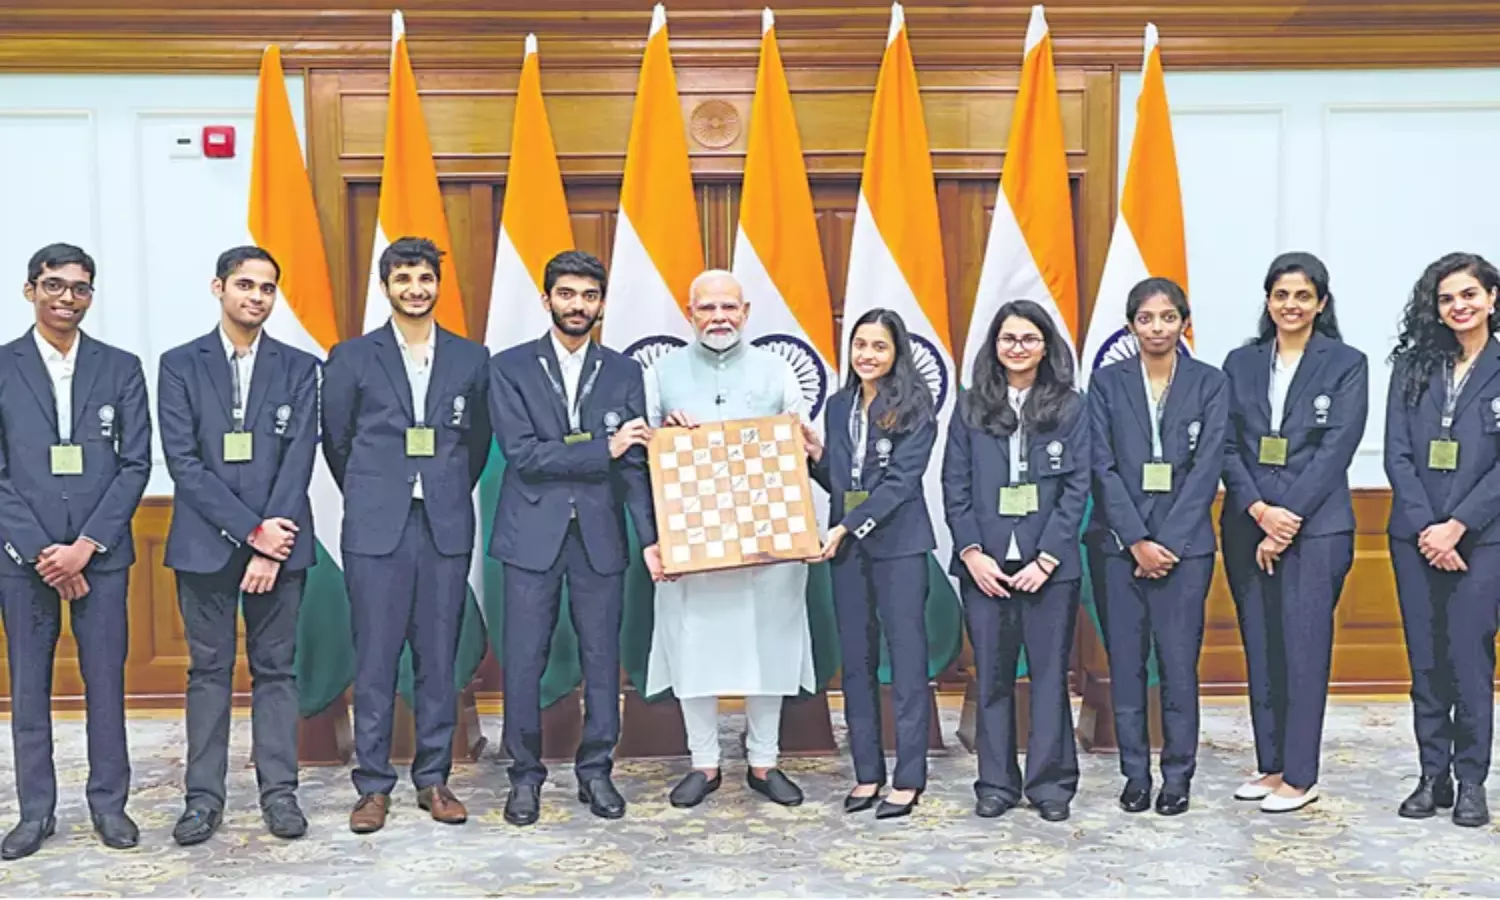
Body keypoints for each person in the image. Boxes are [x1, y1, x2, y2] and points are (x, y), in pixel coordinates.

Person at [321, 236, 491, 833]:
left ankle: (434, 779)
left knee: (438, 659)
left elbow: (476, 445)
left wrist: (436, 487)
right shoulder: (351, 357)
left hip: (443, 524)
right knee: (375, 658)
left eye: (425, 278)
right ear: (385, 285)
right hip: (375, 528)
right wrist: (380, 492)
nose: (415, 289)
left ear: (438, 285)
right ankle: (372, 785)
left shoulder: (472, 358)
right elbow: (336, 442)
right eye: (403, 279)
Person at [489, 250, 662, 826]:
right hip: (530, 536)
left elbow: (634, 464)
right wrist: (600, 450)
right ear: (547, 300)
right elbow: (524, 456)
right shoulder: (508, 367)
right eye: (567, 294)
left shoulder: (623, 371)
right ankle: (524, 775)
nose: (578, 306)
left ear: (602, 305)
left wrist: (651, 540)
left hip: (600, 537)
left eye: (589, 296)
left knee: (602, 658)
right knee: (524, 659)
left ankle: (596, 771)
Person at [156, 245, 319, 844]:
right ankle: (203, 799)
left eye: (267, 288)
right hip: (204, 547)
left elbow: (297, 458)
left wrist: (268, 542)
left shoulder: (301, 368)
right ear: (219, 288)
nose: (256, 296)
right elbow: (184, 462)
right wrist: (251, 532)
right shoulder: (179, 364)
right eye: (245, 285)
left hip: (281, 546)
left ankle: (280, 795)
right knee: (209, 672)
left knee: (276, 671)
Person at [0, 243, 151, 859]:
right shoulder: (3, 366)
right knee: (29, 688)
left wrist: (86, 546)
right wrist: (43, 552)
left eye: (80, 288)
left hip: (102, 557)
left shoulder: (120, 366)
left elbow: (135, 463)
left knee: (104, 686)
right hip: (23, 561)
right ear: (30, 290)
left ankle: (109, 806)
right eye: (54, 285)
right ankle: (35, 813)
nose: (67, 298)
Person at [643, 269, 815, 809]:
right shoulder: (662, 373)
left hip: (769, 543)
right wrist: (668, 435)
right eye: (706, 309)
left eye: (728, 308)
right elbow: (641, 452)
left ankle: (765, 761)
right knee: (693, 647)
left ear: (745, 312)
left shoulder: (777, 370)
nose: (718, 318)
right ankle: (705, 763)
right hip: (690, 543)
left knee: (770, 649)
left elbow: (802, 443)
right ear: (689, 314)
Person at [1221, 251, 1367, 813]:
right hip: (1247, 524)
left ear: (1321, 303)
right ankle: (1271, 762)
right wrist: (1260, 511)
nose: (1291, 305)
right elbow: (1226, 444)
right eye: (1281, 295)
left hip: (1317, 528)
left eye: (1303, 295)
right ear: (1267, 301)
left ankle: (1301, 776)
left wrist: (1286, 519)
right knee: (1262, 646)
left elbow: (1336, 449)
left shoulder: (1346, 362)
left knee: (1304, 650)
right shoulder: (1241, 362)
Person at [941, 299, 1090, 823]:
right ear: (994, 346)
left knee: (1050, 678)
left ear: (1046, 345)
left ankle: (1051, 786)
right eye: (1008, 339)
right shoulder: (970, 407)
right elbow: (953, 485)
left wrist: (1047, 558)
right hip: (986, 570)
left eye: (1029, 339)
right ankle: (996, 783)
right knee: (993, 678)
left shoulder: (1071, 406)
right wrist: (972, 554)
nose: (1018, 348)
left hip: (1048, 570)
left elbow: (1077, 488)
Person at [1087, 278, 1228, 816]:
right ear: (1131, 327)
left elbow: (1207, 467)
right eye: (1146, 319)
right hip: (1120, 550)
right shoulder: (1105, 384)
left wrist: (1165, 541)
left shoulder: (1209, 384)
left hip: (1185, 551)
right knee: (1126, 665)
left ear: (1183, 324)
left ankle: (1177, 774)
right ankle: (1134, 774)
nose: (1157, 328)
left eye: (1168, 317)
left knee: (1176, 666)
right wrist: (1137, 540)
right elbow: (1101, 465)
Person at [803, 308, 936, 820]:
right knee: (855, 662)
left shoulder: (915, 405)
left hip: (898, 549)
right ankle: (866, 772)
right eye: (860, 345)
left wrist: (846, 526)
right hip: (849, 552)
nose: (867, 355)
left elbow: (901, 484)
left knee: (905, 663)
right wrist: (816, 459)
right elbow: (843, 480)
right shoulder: (839, 406)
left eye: (879, 346)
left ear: (896, 352)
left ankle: (908, 778)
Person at [1384, 251, 1500, 828]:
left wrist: (1458, 526)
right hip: (1415, 536)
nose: (1459, 306)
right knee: (1426, 662)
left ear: (1492, 299)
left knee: (1469, 660)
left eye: (1469, 295)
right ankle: (1434, 775)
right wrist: (1428, 527)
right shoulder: (1413, 366)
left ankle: (1473, 779)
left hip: (1483, 540)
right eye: (1447, 298)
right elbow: (1397, 453)